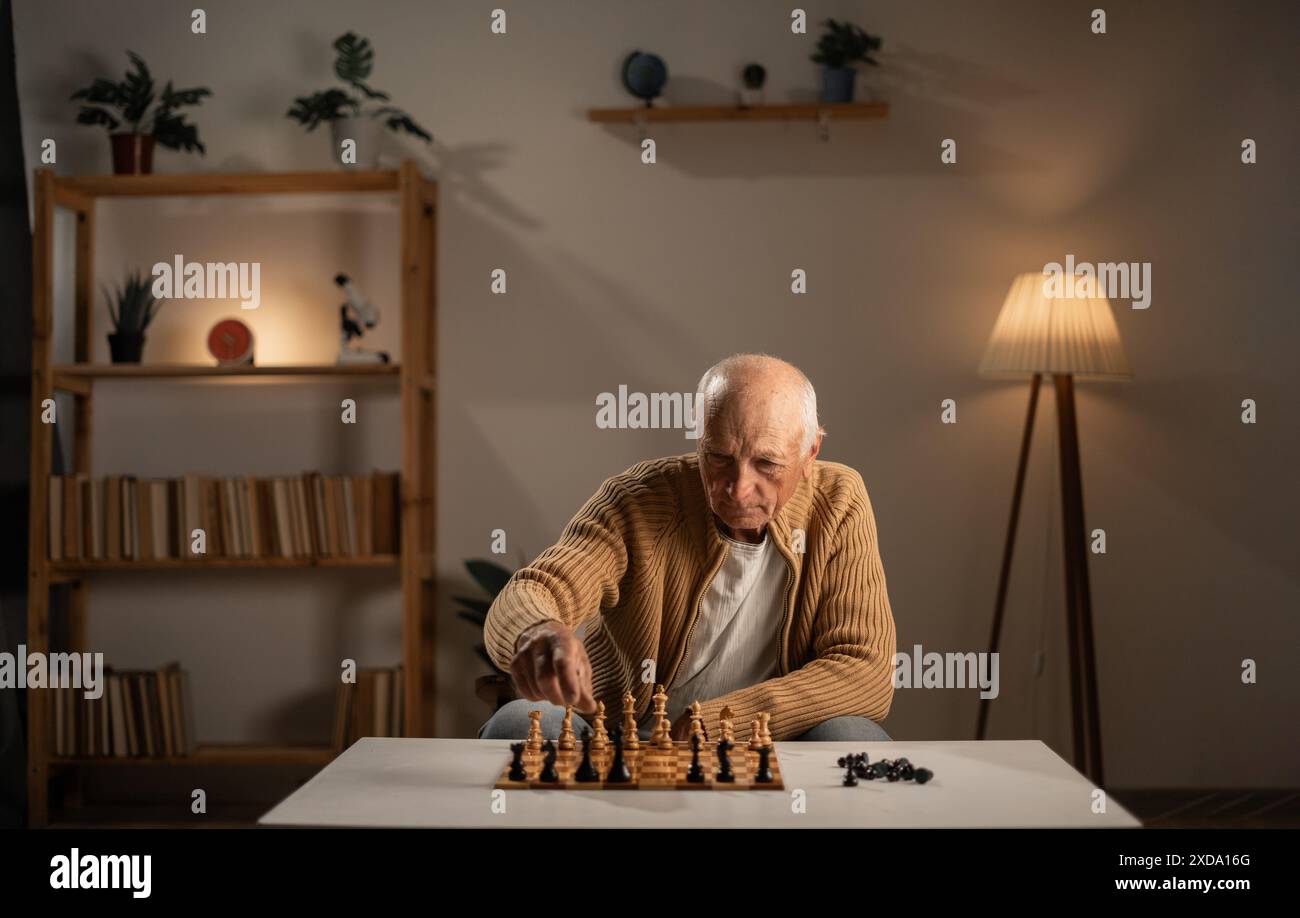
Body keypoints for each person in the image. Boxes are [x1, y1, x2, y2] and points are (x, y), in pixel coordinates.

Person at [479, 354, 896, 744]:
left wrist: (713, 723)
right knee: (519, 721)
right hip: (628, 738)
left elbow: (864, 671)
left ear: (810, 453)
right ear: (700, 440)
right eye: (719, 457)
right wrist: (536, 631)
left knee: (853, 735)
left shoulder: (839, 500)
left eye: (767, 464)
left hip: (770, 741)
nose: (738, 487)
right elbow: (532, 591)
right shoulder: (639, 498)